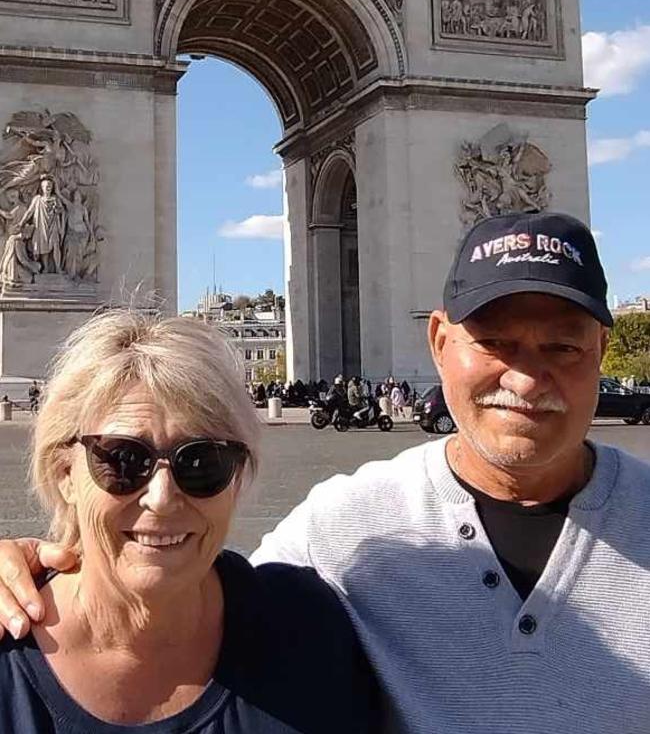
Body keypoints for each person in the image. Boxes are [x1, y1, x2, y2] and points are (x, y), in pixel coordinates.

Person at [5, 214, 650, 731]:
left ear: (600, 351)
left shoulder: (299, 610)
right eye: (495, 342)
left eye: (562, 345)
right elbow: (173, 573)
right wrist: (33, 564)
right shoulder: (341, 527)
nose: (527, 376)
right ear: (439, 342)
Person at [0, 310, 378, 732]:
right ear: (64, 473)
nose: (161, 498)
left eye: (203, 462)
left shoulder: (309, 630)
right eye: (123, 459)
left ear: (237, 477)